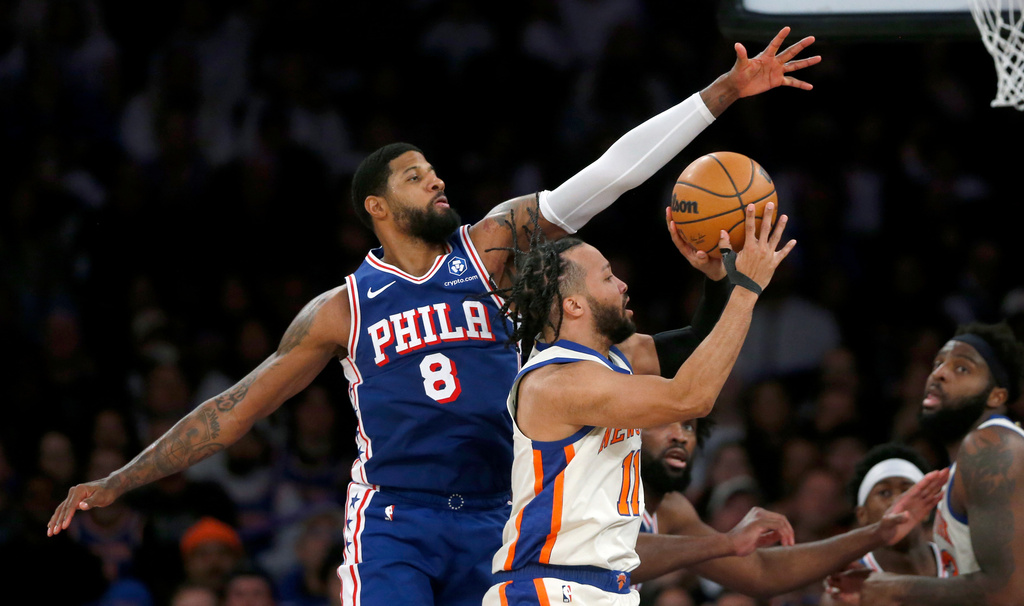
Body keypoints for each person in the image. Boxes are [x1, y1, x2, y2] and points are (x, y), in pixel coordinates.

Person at [47, 27, 821, 606]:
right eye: (418, 177)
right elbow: (232, 411)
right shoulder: (340, 310)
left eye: (435, 168)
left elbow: (606, 178)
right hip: (398, 521)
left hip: (499, 512)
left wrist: (718, 95)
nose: (438, 179)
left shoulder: (492, 249)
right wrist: (118, 481)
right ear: (379, 208)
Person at [484, 200, 800, 605]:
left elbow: (698, 348)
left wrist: (719, 279)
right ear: (574, 304)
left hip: (606, 587)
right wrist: (748, 288)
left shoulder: (617, 358)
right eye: (607, 277)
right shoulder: (557, 382)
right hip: (549, 588)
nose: (622, 285)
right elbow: (692, 396)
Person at [635, 420, 947, 603]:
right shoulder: (595, 482)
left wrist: (878, 532)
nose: (680, 436)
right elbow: (614, 554)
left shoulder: (672, 508)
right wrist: (726, 542)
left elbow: (761, 572)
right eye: (663, 422)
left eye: (689, 425)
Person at [835, 320, 1024, 605]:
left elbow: (1009, 592)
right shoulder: (977, 455)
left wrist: (894, 588)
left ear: (996, 395)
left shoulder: (992, 445)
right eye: (938, 363)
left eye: (962, 368)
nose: (939, 374)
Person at [818, 442, 947, 605]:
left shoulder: (959, 559)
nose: (898, 500)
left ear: (927, 509)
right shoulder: (847, 589)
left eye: (908, 491)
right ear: (862, 514)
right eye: (884, 492)